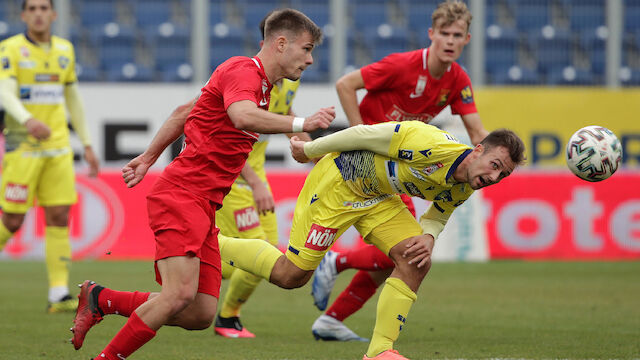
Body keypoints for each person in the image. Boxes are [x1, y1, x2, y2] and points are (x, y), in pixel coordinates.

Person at [68, 9, 333, 360]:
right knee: (178, 296)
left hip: (204, 206)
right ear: (281, 43)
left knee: (198, 313)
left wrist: (148, 158)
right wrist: (300, 121)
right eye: (307, 48)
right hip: (182, 196)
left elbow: (183, 112)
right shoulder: (244, 72)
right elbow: (241, 115)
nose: (311, 59)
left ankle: (100, 299)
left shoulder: (256, 85)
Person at [218, 121, 525, 359]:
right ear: (478, 150)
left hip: (378, 199)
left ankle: (380, 350)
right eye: (495, 165)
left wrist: (429, 236)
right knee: (291, 275)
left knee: (416, 259)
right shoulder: (427, 143)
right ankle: (213, 244)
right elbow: (361, 135)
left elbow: (438, 214)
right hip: (339, 185)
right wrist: (310, 151)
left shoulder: (467, 183)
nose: (494, 178)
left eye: (503, 175)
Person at [311, 0, 490, 341]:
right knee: (409, 253)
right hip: (365, 167)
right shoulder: (402, 65)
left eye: (458, 35)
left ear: (467, 40)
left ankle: (332, 319)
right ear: (431, 35)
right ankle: (335, 262)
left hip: (396, 172)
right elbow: (345, 84)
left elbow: (479, 133)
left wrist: (500, 160)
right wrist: (358, 135)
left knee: (402, 258)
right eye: (444, 34)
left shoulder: (457, 79)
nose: (450, 41)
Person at [213, 13, 313, 338]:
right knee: (255, 258)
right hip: (234, 180)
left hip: (255, 177)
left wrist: (314, 151)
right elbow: (223, 136)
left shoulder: (287, 84)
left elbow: (283, 115)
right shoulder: (245, 80)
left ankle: (228, 318)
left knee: (268, 253)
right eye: (304, 50)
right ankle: (191, 256)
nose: (308, 60)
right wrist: (254, 182)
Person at [0, 0, 99, 313]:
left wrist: (86, 141)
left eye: (44, 8)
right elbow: (4, 90)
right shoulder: (11, 49)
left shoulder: (64, 50)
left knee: (58, 216)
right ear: (24, 15)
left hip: (57, 148)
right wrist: (27, 119)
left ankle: (58, 294)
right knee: (12, 220)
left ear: (54, 15)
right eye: (32, 8)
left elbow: (72, 95)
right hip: (23, 147)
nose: (39, 13)